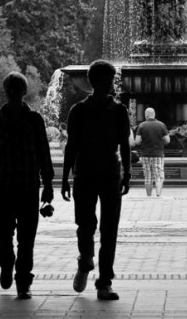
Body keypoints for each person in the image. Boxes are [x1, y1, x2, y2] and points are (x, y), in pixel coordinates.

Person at [0, 72, 54, 299]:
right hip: (21, 185)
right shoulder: (2, 119)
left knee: (9, 234)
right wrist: (47, 184)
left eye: (14, 88)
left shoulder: (24, 119)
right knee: (16, 235)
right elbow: (43, 154)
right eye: (11, 88)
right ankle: (10, 263)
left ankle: (20, 277)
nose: (13, 92)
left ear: (18, 91)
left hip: (11, 186)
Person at [61, 60, 132, 301]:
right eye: (110, 80)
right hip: (99, 173)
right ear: (99, 82)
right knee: (95, 226)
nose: (112, 85)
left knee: (98, 227)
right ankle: (91, 268)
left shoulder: (97, 110)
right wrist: (64, 178)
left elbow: (123, 144)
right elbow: (72, 145)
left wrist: (128, 174)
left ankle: (99, 275)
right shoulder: (94, 110)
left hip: (97, 173)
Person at [135, 108, 170, 197]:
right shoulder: (161, 125)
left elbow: (137, 141)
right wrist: (161, 143)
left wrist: (144, 142)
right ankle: (158, 194)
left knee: (148, 176)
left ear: (146, 115)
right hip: (158, 154)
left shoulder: (142, 125)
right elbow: (168, 140)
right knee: (158, 175)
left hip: (145, 154)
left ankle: (149, 196)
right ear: (154, 114)